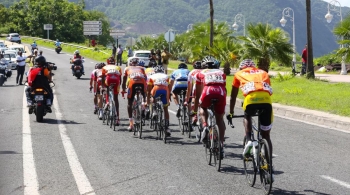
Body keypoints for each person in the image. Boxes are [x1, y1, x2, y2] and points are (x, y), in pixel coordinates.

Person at [227, 59, 273, 161]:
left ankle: (248, 140)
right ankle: (269, 166)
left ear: (241, 68)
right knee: (266, 135)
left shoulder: (239, 73)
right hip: (266, 100)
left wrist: (231, 112)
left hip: (251, 99)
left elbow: (233, 97)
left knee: (247, 115)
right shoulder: (264, 72)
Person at [195, 56, 226, 158]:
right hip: (221, 93)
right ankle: (221, 145)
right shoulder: (221, 73)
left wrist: (198, 106)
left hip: (207, 92)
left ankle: (204, 126)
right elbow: (224, 88)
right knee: (220, 120)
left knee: (203, 108)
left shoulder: (200, 73)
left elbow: (198, 92)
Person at [121, 58, 147, 131]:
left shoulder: (127, 68)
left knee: (129, 102)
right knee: (145, 95)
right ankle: (144, 106)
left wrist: (123, 89)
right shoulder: (142, 68)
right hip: (142, 83)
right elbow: (145, 78)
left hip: (132, 84)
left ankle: (131, 124)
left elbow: (124, 79)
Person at [147, 65, 172, 136]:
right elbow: (169, 88)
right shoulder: (166, 76)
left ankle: (154, 110)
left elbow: (148, 91)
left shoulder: (152, 76)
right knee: (165, 109)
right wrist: (169, 98)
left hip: (156, 89)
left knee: (152, 96)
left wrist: (148, 102)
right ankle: (167, 128)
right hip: (165, 90)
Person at [185, 61, 203, 125]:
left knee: (195, 98)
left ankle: (194, 115)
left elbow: (189, 87)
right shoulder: (204, 71)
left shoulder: (192, 72)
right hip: (205, 86)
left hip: (197, 86)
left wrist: (187, 99)